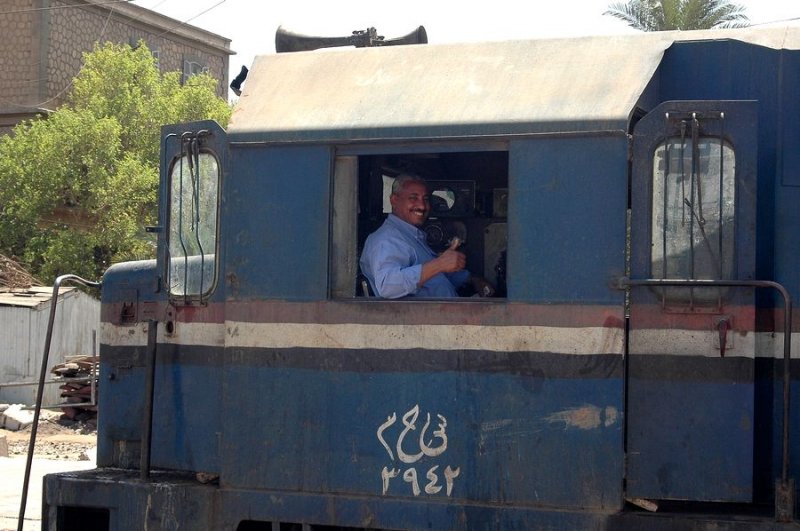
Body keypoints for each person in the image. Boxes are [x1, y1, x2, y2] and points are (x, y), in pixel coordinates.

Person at [359, 173, 495, 299]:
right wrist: (439, 264)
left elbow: (433, 277)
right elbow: (387, 286)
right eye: (413, 198)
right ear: (394, 200)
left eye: (425, 199)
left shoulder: (411, 236)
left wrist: (472, 279)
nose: (422, 206)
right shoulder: (386, 240)